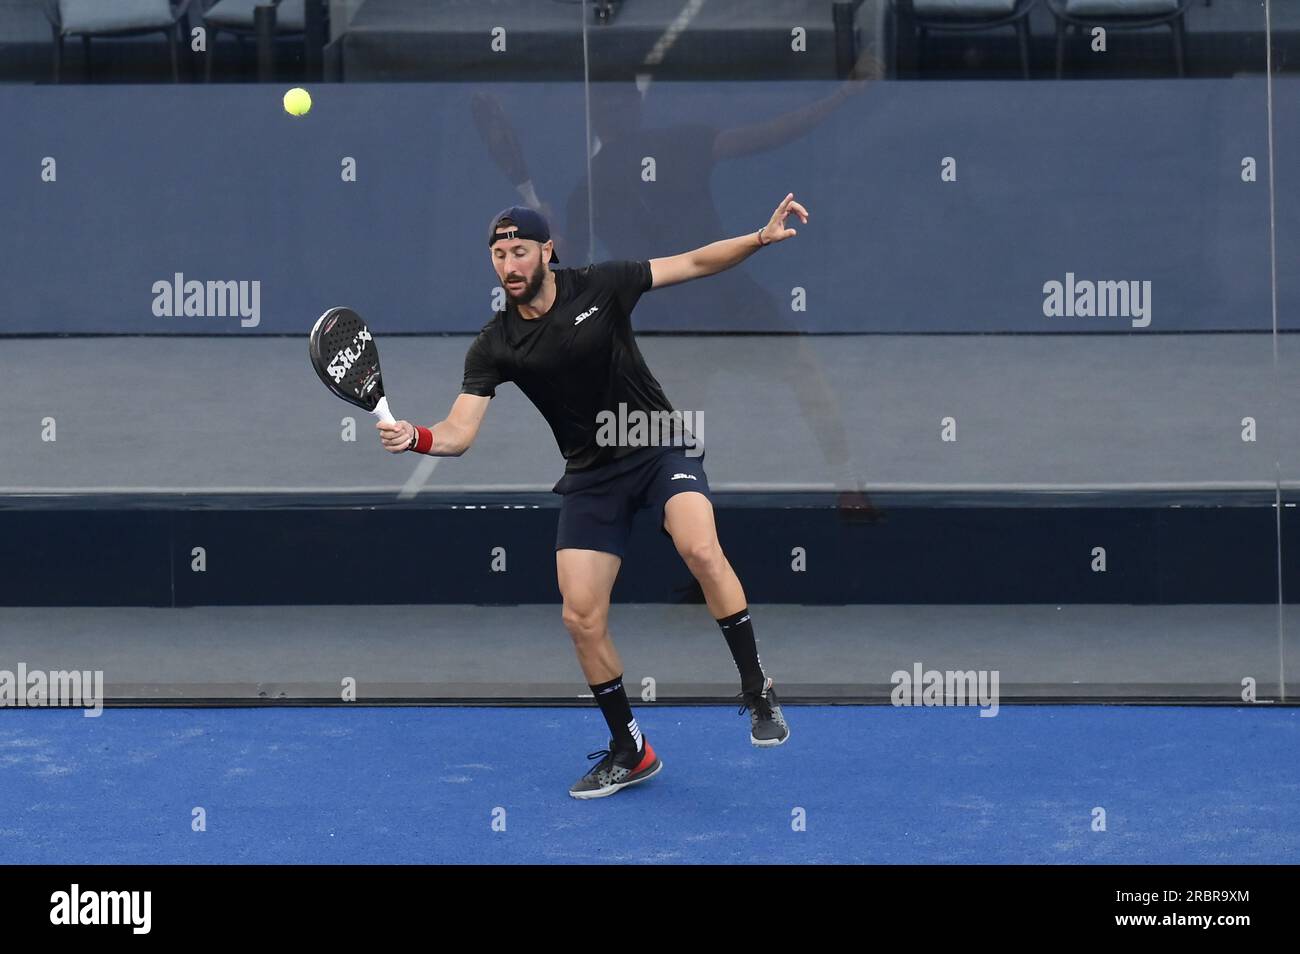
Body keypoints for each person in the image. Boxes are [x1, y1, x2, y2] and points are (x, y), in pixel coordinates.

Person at [377, 195, 808, 798]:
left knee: (700, 547)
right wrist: (417, 437)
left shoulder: (602, 286)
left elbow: (691, 263)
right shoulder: (494, 344)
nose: (510, 265)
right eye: (499, 255)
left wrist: (758, 239)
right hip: (590, 474)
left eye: (520, 251)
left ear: (547, 251)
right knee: (580, 616)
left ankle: (755, 686)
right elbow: (459, 433)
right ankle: (630, 748)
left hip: (656, 443)